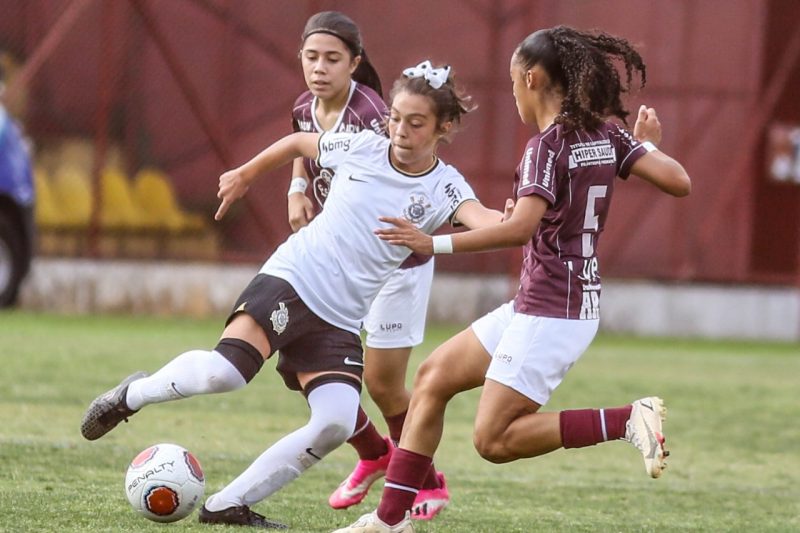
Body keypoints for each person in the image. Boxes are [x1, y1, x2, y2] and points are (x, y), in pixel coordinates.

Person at [80, 61, 507, 529]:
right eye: (397, 118)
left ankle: (226, 506)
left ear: (445, 127)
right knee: (226, 374)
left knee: (336, 422)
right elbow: (299, 144)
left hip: (341, 318)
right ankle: (132, 395)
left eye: (416, 122)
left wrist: (508, 219)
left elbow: (480, 217)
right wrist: (245, 173)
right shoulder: (364, 147)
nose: (401, 131)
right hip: (295, 279)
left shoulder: (443, 185)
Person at [334, 25, 691, 533]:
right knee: (433, 378)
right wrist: (648, 148)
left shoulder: (545, 146)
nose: (514, 96)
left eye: (514, 84)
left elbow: (520, 230)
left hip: (553, 311)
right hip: (547, 302)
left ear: (532, 77)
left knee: (493, 442)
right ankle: (389, 523)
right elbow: (680, 182)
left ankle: (629, 419)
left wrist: (428, 241)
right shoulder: (607, 133)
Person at [287, 12, 450, 519]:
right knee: (300, 365)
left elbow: (414, 179)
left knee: (381, 384)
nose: (320, 68)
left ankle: (428, 481)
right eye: (312, 57)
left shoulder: (374, 116)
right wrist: (297, 186)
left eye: (332, 59)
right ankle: (375, 453)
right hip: (337, 262)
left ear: (355, 63)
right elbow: (302, 141)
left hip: (392, 267)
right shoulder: (302, 106)